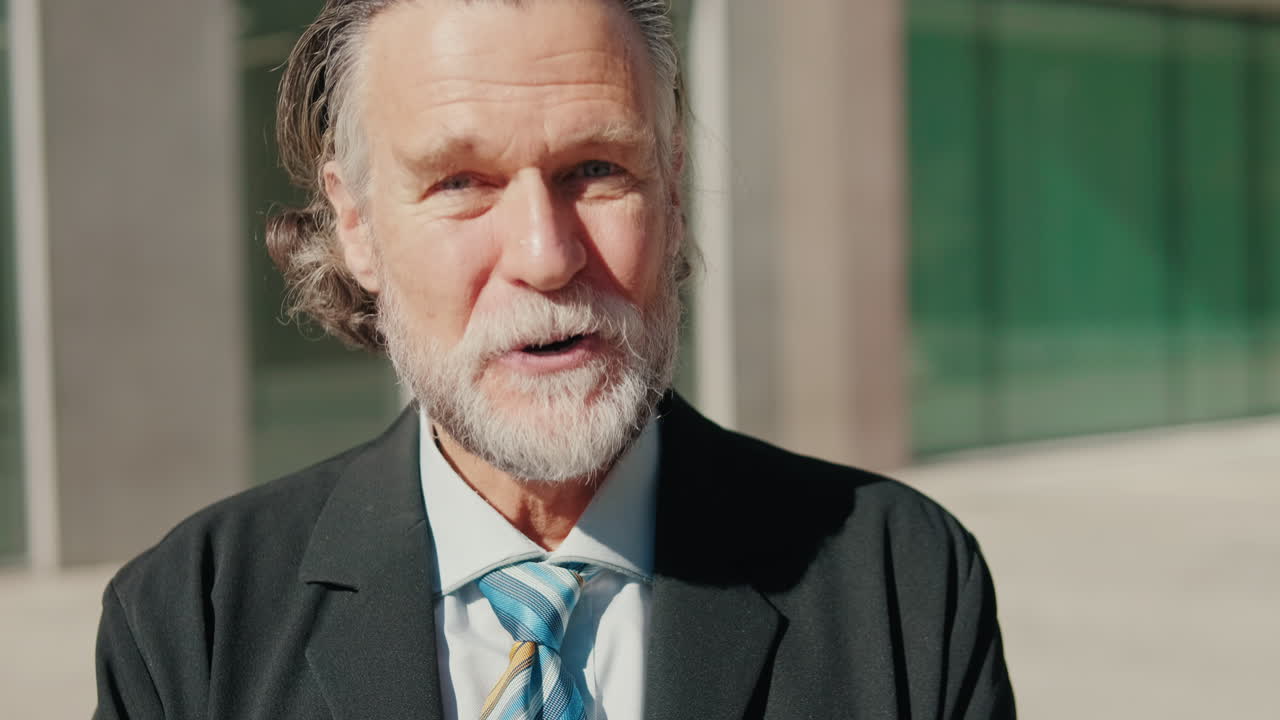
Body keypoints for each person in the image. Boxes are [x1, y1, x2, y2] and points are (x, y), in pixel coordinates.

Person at [93, 0, 1015, 718]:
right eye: (461, 182)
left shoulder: (902, 588)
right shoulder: (194, 626)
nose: (545, 253)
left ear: (675, 187)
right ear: (356, 224)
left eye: (596, 169)